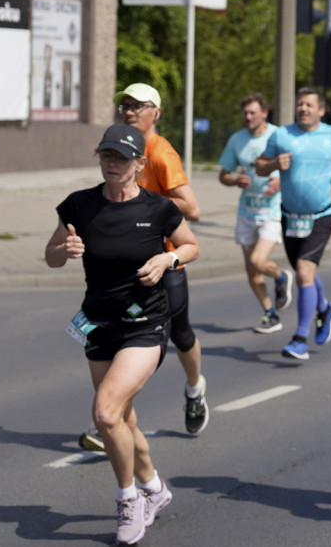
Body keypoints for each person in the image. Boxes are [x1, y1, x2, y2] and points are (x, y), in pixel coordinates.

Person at [45, 124, 200, 546]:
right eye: (106, 155)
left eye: (121, 157)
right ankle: (154, 488)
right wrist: (64, 251)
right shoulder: (79, 205)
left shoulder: (158, 208)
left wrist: (167, 260)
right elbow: (51, 257)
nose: (113, 163)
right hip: (98, 323)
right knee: (123, 418)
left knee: (106, 413)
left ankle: (128, 500)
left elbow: (190, 246)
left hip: (145, 323)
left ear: (139, 163)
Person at [115, 82, 209, 436]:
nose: (128, 112)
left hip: (166, 260)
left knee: (179, 335)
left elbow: (192, 208)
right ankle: (114, 411)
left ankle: (194, 388)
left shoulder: (159, 152)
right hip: (128, 263)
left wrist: (145, 201)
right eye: (124, 106)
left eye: (137, 106)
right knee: (126, 336)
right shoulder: (120, 150)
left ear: (155, 113)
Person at [256, 87, 331, 361]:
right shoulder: (281, 135)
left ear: (321, 110)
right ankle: (324, 309)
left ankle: (300, 339)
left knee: (303, 272)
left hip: (321, 216)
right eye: (300, 104)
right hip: (289, 217)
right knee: (305, 274)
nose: (303, 108)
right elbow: (259, 166)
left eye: (309, 105)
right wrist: (274, 163)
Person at [218, 93, 293, 334]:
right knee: (252, 271)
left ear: (264, 113)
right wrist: (234, 180)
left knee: (258, 261)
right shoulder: (237, 139)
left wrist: (281, 183)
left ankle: (281, 277)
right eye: (245, 113)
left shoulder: (278, 136)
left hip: (271, 210)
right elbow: (223, 174)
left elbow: (296, 167)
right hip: (246, 211)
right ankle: (270, 314)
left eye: (253, 112)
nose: (248, 117)